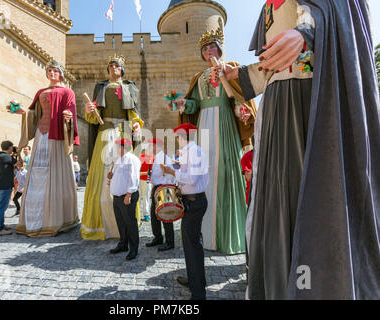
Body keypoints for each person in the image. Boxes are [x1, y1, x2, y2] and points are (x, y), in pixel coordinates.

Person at [217, 0, 380, 300]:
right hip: (276, 106)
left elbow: (337, 14)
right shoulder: (267, 9)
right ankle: (282, 284)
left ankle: (318, 285)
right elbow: (269, 68)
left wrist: (307, 32)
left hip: (312, 99)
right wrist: (235, 74)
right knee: (278, 198)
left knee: (313, 192)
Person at [170, 29, 257, 255]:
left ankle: (230, 235)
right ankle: (205, 235)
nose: (209, 51)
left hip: (226, 125)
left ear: (220, 49)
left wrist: (243, 113)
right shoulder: (198, 78)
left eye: (212, 47)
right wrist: (183, 105)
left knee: (227, 171)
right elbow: (194, 105)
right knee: (204, 173)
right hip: (203, 127)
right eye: (205, 49)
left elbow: (238, 100)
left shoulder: (230, 68)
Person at [14, 61, 80, 237]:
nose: (52, 73)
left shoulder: (68, 92)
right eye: (49, 70)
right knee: (36, 172)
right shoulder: (40, 92)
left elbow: (71, 111)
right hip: (41, 134)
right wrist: (23, 111)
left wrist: (68, 117)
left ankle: (56, 219)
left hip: (57, 135)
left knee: (55, 172)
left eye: (56, 71)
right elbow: (34, 113)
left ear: (61, 74)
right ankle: (33, 220)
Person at [81, 54, 143, 240]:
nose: (114, 68)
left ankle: (126, 222)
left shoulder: (129, 87)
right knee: (102, 175)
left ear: (122, 69)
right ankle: (101, 224)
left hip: (123, 133)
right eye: (111, 65)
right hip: (105, 133)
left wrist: (137, 124)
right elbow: (94, 117)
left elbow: (133, 111)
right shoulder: (101, 87)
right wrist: (89, 111)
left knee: (125, 172)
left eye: (117, 65)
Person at [161, 124, 209, 300]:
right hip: (192, 201)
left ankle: (198, 293)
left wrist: (172, 171)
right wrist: (178, 166)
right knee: (190, 245)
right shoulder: (190, 152)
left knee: (193, 245)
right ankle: (195, 280)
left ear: (182, 136)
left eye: (177, 137)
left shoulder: (194, 152)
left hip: (195, 202)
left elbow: (191, 179)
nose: (176, 140)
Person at [109, 138, 141, 261]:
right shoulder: (118, 160)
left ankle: (134, 249)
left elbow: (134, 178)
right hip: (117, 197)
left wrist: (128, 195)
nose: (116, 149)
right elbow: (120, 176)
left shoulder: (131, 159)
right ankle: (123, 244)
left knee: (130, 223)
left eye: (117, 146)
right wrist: (111, 176)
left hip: (127, 196)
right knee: (121, 222)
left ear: (122, 147)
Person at [145, 138, 176, 252]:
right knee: (154, 215)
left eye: (150, 145)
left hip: (164, 188)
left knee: (166, 215)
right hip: (157, 188)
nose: (149, 147)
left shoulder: (164, 158)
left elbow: (171, 175)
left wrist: (165, 177)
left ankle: (170, 242)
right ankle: (158, 238)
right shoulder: (156, 158)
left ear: (156, 146)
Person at [0, 141, 17, 236]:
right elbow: (19, 164)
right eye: (12, 148)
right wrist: (17, 155)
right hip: (5, 185)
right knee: (1, 208)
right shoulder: (7, 157)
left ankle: (1, 225)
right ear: (10, 148)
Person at [139, 150, 153, 222]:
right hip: (139, 179)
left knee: (146, 197)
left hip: (148, 180)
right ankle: (137, 214)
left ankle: (146, 214)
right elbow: (138, 168)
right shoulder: (142, 156)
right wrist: (146, 173)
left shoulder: (153, 158)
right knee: (138, 197)